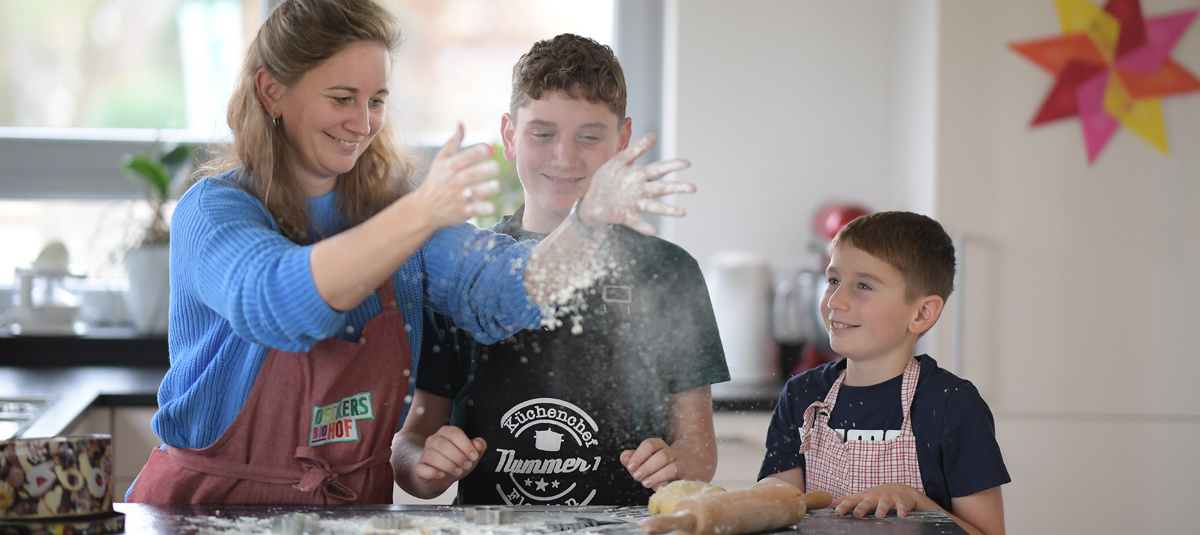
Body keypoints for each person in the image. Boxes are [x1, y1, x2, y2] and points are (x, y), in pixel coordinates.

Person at [125, 0, 694, 505]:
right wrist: (418, 212)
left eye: (376, 100)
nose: (363, 123)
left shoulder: (394, 211)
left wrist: (588, 224)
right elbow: (276, 303)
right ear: (272, 90)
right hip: (210, 510)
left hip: (350, 513)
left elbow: (502, 290)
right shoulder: (214, 211)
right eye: (342, 98)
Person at [390, 33, 730, 506]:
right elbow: (411, 443)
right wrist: (427, 465)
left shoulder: (670, 272)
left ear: (623, 141)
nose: (565, 157)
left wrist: (675, 463)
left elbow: (698, 447)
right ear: (509, 135)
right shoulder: (466, 272)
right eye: (542, 133)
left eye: (589, 136)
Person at [756, 211, 1009, 535]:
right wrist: (757, 500)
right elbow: (779, 497)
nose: (836, 301)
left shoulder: (952, 405)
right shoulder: (802, 396)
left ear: (922, 313)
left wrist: (916, 501)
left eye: (863, 286)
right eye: (833, 280)